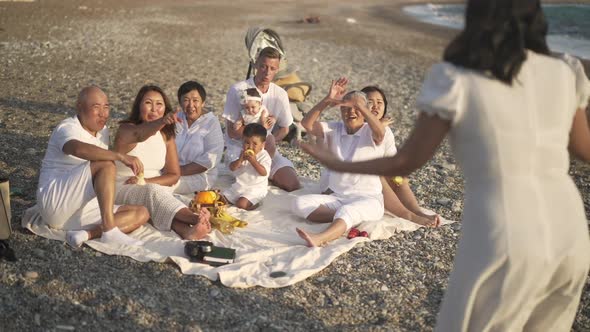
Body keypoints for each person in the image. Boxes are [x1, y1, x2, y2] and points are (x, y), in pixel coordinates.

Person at [301, 0, 590, 330]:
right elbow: (585, 149)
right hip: (571, 227)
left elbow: (406, 162)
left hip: (507, 228)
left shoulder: (456, 78)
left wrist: (338, 162)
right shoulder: (565, 71)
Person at [36, 86, 149, 248]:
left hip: (80, 210)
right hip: (55, 203)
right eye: (96, 107)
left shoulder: (103, 131)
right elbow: (77, 149)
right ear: (80, 108)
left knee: (141, 213)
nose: (103, 113)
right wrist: (120, 156)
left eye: (106, 107)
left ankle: (87, 234)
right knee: (106, 163)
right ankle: (109, 230)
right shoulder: (67, 127)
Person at [293, 78, 396, 247]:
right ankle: (345, 221)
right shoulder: (334, 128)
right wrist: (327, 100)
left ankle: (320, 238)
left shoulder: (373, 131)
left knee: (348, 211)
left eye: (356, 109)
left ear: (365, 111)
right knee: (299, 204)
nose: (351, 112)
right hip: (338, 197)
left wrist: (361, 105)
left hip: (369, 200)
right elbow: (306, 124)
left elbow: (380, 133)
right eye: (346, 108)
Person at [114, 85, 211, 240]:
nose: (154, 109)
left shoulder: (166, 135)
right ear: (139, 106)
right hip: (123, 185)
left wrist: (145, 181)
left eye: (159, 104)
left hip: (151, 185)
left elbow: (174, 175)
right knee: (153, 193)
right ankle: (194, 218)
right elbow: (139, 135)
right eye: (148, 103)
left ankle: (186, 231)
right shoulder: (126, 129)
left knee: (158, 196)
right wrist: (161, 121)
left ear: (165, 108)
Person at [223, 46, 301, 192]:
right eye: (263, 67)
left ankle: (264, 173)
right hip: (240, 149)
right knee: (248, 188)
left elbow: (285, 129)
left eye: (272, 68)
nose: (267, 72)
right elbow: (231, 132)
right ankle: (259, 178)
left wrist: (267, 143)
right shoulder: (238, 90)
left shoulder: (280, 94)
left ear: (277, 70)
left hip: (266, 150)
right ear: (256, 65)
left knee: (292, 184)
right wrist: (257, 137)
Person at [362, 85, 440, 227]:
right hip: (350, 179)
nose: (375, 106)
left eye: (379, 102)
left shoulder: (387, 131)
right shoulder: (356, 126)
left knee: (398, 176)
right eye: (370, 102)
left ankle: (417, 211)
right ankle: (407, 215)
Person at [173, 80, 224, 195]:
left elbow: (209, 160)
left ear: (203, 103)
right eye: (186, 100)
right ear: (180, 102)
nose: (191, 105)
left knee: (162, 185)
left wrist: (175, 172)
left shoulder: (211, 123)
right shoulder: (177, 118)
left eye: (195, 100)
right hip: (171, 170)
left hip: (199, 176)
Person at [223, 123, 272, 210]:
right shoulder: (241, 153)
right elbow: (232, 167)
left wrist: (253, 161)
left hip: (255, 188)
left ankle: (256, 204)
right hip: (239, 186)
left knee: (241, 204)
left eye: (255, 144)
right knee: (221, 199)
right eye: (247, 142)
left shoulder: (264, 156)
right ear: (242, 141)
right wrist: (240, 160)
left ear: (262, 144)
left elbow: (264, 173)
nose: (250, 147)